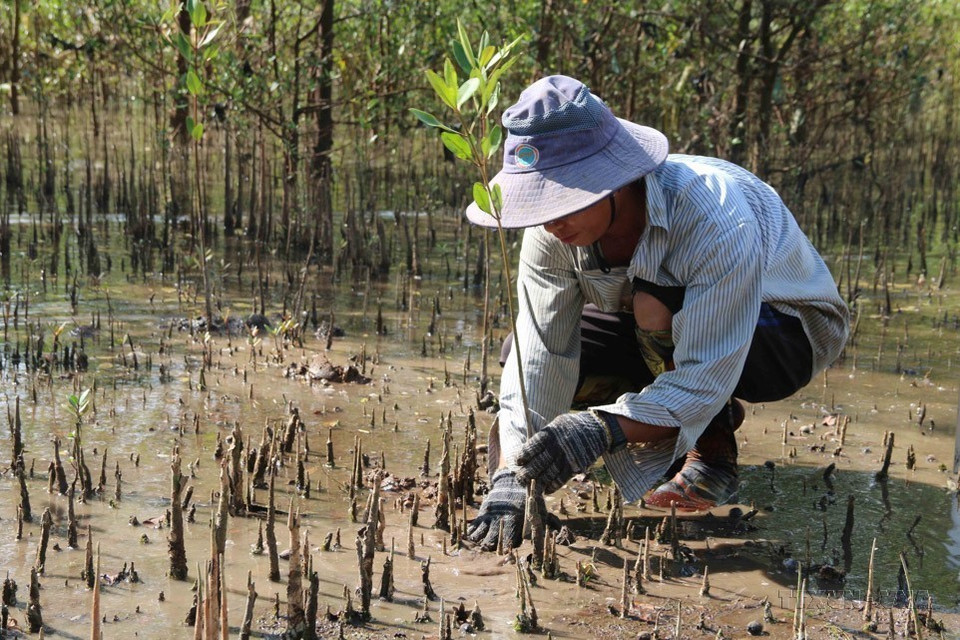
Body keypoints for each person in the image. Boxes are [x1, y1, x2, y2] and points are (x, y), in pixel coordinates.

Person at [464, 75, 849, 551]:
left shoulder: (713, 215)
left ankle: (712, 449)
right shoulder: (551, 234)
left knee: (656, 304)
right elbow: (541, 353)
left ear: (614, 183)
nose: (550, 220)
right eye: (538, 202)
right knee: (516, 351)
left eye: (562, 199)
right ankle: (671, 420)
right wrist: (511, 477)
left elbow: (706, 371)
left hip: (785, 335)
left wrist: (599, 429)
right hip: (663, 331)